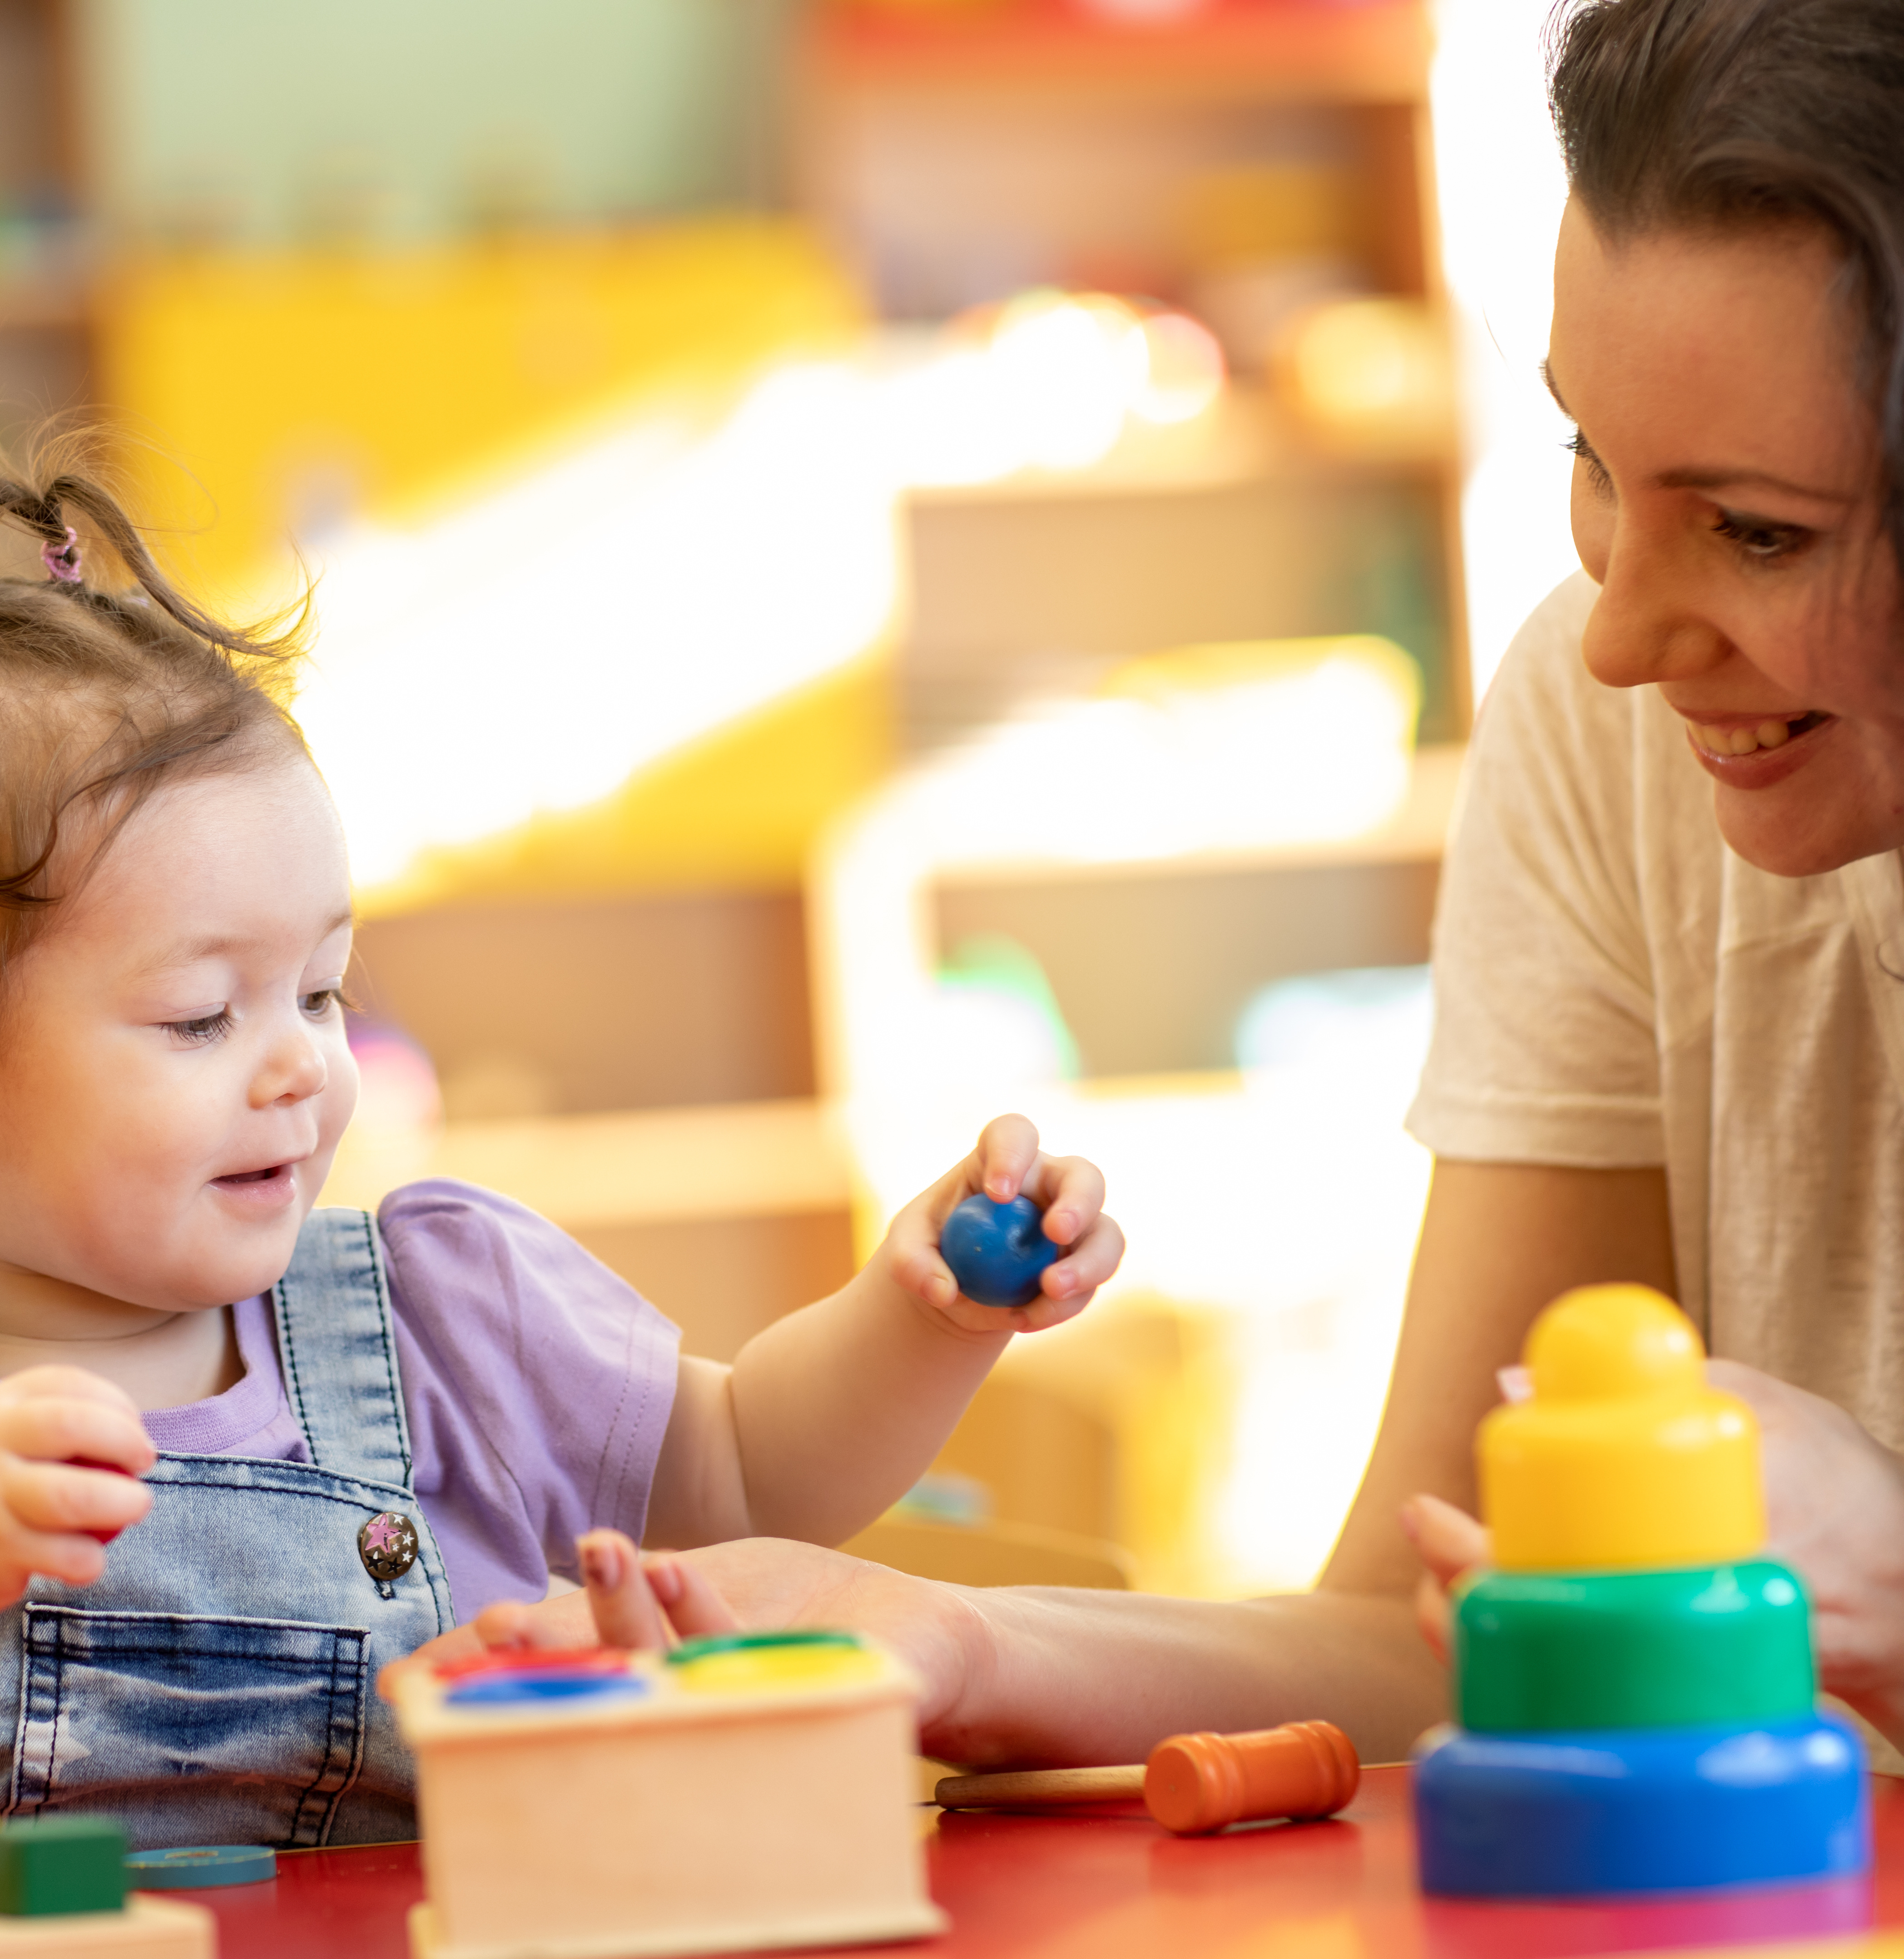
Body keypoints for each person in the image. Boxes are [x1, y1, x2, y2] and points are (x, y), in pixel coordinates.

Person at [430, 0, 1904, 1774]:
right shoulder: (1621, 748)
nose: (1616, 637)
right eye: (1593, 460)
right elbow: (1424, 1640)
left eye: (1757, 531)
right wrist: (968, 1642)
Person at [0, 451, 1126, 1852]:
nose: (302, 1067)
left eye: (321, 991)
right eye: (201, 1016)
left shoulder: (446, 1316)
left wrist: (924, 1316)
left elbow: (747, 1474)